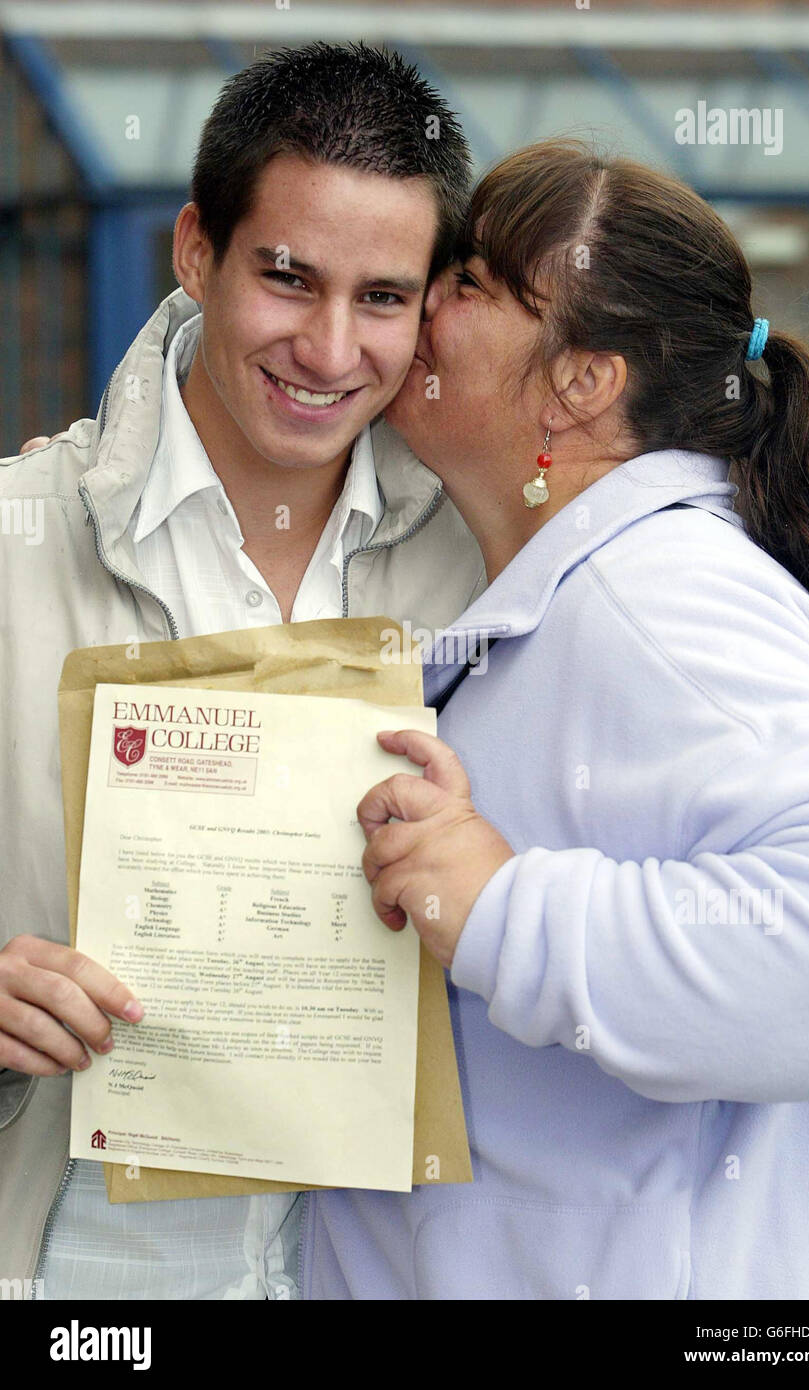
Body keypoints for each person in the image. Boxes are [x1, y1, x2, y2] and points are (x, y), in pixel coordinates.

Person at [300, 139, 809, 1300]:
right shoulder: (553, 588)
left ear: (581, 381)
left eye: (464, 283)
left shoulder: (664, 598)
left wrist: (506, 909)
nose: (416, 306)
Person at [0, 43, 483, 1301]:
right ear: (193, 250)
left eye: (382, 297)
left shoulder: (488, 574)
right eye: (285, 277)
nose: (329, 349)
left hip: (378, 1269)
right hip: (80, 1279)